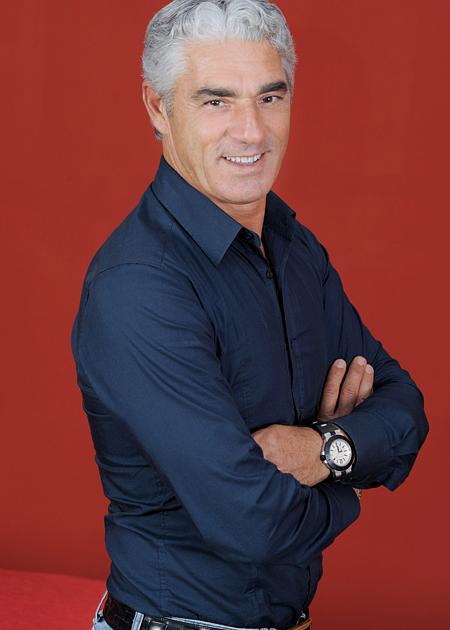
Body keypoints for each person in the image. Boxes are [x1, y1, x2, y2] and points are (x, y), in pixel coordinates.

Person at [70, 1, 429, 629]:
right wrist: (350, 481)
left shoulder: (292, 244)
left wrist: (321, 449)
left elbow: (404, 406)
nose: (252, 132)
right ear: (158, 107)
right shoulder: (140, 285)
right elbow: (254, 522)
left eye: (269, 97)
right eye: (217, 101)